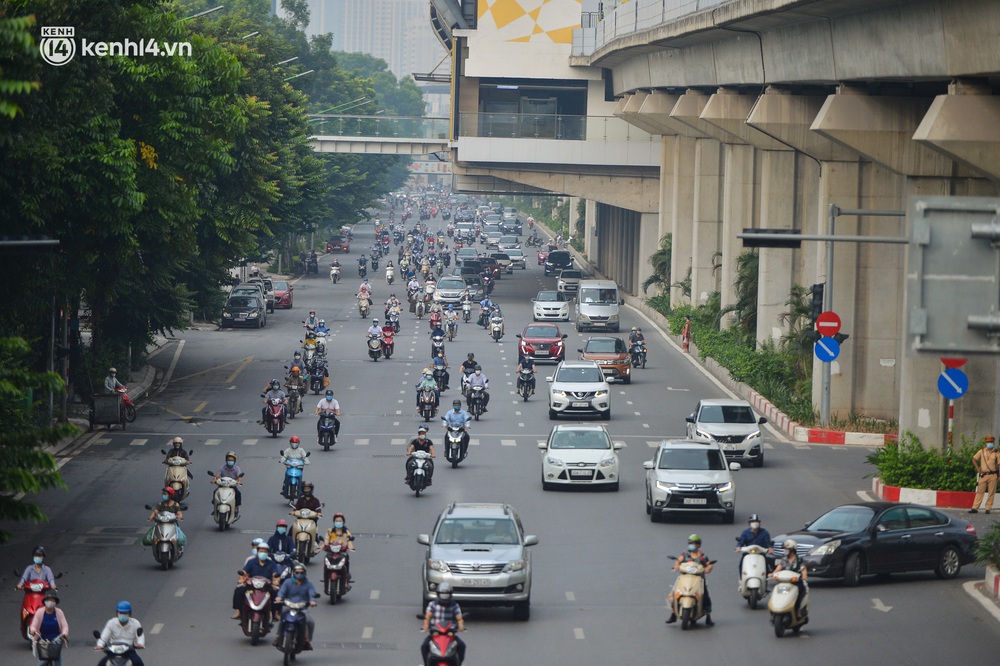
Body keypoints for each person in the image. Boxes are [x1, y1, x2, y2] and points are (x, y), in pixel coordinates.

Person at [666, 534, 714, 626]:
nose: (691, 545)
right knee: (674, 594)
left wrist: (708, 568)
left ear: (698, 545)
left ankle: (708, 616)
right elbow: (678, 561)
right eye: (690, 543)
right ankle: (673, 614)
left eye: (694, 543)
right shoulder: (685, 554)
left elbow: (709, 564)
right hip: (684, 577)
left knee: (706, 596)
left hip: (699, 579)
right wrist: (676, 565)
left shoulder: (703, 556)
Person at [232, 542, 283, 620]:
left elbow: (275, 574)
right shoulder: (251, 562)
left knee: (276, 592)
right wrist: (241, 579)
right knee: (239, 590)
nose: (263, 553)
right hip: (252, 586)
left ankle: (275, 613)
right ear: (258, 552)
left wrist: (276, 581)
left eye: (265, 552)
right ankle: (239, 611)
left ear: (268, 553)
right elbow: (244, 572)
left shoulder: (272, 563)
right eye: (261, 551)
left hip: (266, 586)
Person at [274, 563, 317, 650]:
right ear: (293, 573)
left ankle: (307, 641)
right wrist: (279, 597)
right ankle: (279, 637)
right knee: (282, 619)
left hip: (302, 609)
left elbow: (312, 593)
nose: (299, 574)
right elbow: (282, 591)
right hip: (288, 606)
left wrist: (312, 601)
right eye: (297, 572)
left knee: (310, 622)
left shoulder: (308, 584)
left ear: (304, 573)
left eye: (301, 572)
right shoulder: (287, 582)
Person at [421, 583, 466, 665]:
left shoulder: (454, 605)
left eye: (446, 594)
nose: (444, 597)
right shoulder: (433, 604)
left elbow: (459, 618)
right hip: (436, 634)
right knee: (424, 645)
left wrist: (461, 625)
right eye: (442, 594)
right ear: (438, 594)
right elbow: (428, 616)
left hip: (450, 634)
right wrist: (426, 625)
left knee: (462, 645)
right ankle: (426, 664)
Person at [95, 601, 145, 666]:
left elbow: (140, 636)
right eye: (121, 612)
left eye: (125, 613)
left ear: (129, 613)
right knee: (101, 664)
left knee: (139, 663)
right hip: (113, 651)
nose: (123, 615)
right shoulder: (111, 623)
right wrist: (100, 645)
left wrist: (140, 644)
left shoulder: (135, 623)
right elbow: (103, 637)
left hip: (129, 651)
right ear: (117, 613)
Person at [30, 589, 68, 666]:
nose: (50, 602)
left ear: (55, 602)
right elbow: (34, 625)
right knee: (42, 662)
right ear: (45, 601)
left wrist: (65, 633)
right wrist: (33, 630)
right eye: (48, 600)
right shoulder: (40, 612)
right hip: (43, 640)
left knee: (57, 659)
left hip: (55, 640)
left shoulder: (59, 612)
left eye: (52, 600)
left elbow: (65, 626)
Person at [772, 539, 808, 614]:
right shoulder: (784, 559)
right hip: (784, 581)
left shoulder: (799, 560)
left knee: (801, 591)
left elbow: (803, 569)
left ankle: (798, 609)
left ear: (792, 550)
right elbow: (778, 568)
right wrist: (773, 574)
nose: (785, 551)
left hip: (795, 581)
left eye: (786, 549)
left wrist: (804, 576)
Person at [324, 512, 355, 588]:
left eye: (340, 521)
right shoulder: (330, 531)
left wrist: (350, 547)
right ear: (334, 522)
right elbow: (326, 540)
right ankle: (325, 579)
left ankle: (346, 579)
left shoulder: (346, 531)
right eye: (336, 521)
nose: (338, 522)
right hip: (331, 551)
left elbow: (349, 540)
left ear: (343, 522)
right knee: (326, 560)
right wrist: (326, 545)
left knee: (346, 559)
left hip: (342, 552)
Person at [970, 435, 999, 514]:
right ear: (986, 443)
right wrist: (978, 468)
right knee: (980, 491)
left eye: (991, 442)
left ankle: (988, 508)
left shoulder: (997, 452)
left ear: (993, 443)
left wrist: (999, 476)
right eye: (988, 442)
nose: (989, 443)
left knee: (991, 492)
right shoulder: (982, 451)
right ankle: (975, 508)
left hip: (993, 475)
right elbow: (974, 459)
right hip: (983, 475)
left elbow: (999, 465)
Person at [212, 451, 243, 517]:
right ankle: (215, 507)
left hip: (231, 486)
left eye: (232, 460)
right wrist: (214, 480)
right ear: (226, 460)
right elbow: (217, 475)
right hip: (222, 485)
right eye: (228, 460)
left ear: (234, 461)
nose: (230, 461)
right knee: (215, 492)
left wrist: (239, 482)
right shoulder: (222, 467)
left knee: (238, 494)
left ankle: (236, 508)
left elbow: (239, 477)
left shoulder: (237, 468)